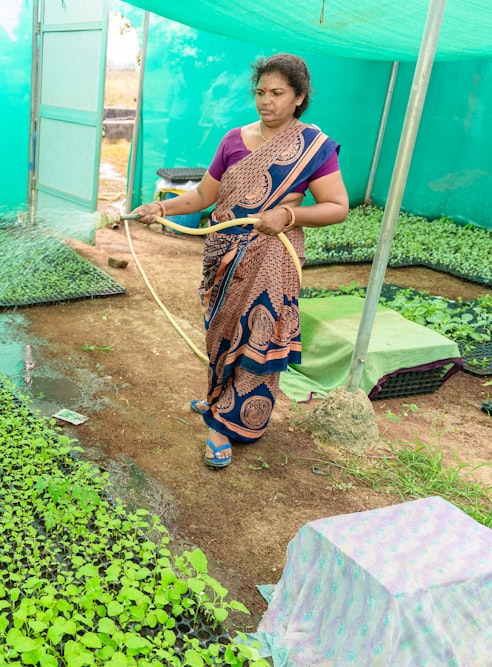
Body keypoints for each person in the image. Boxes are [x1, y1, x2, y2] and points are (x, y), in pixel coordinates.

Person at [129, 53, 349, 469]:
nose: (266, 101)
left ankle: (224, 426)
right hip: (222, 256)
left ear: (299, 98)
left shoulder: (313, 148)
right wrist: (161, 209)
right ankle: (218, 398)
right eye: (261, 92)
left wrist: (289, 214)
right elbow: (202, 198)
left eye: (278, 93)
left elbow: (337, 206)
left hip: (272, 256)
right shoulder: (233, 140)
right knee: (221, 332)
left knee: (256, 338)